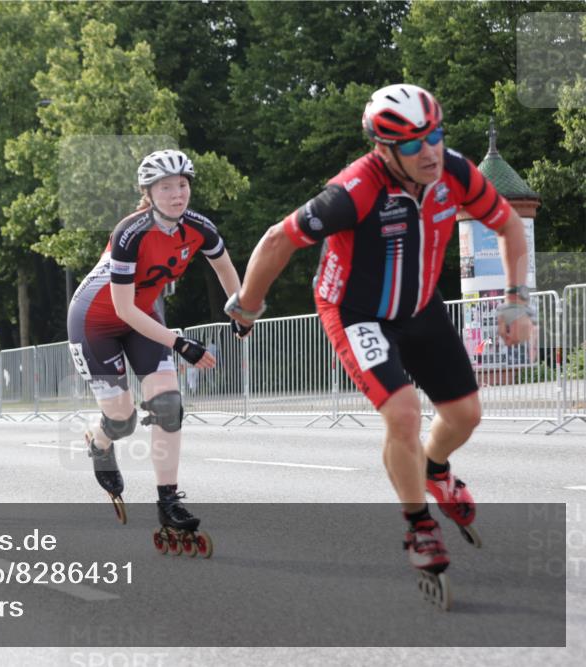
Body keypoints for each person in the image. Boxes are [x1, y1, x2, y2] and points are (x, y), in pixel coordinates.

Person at [225, 84, 535, 604]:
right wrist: (248, 305)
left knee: (466, 416)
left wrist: (516, 299)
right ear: (383, 149)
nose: (429, 151)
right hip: (357, 313)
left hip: (420, 307)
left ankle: (434, 468)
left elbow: (508, 225)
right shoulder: (355, 190)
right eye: (412, 144)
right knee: (403, 412)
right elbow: (279, 239)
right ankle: (419, 525)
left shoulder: (456, 172)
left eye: (435, 135)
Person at [67, 149, 246, 556]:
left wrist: (240, 308)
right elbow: (123, 309)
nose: (177, 194)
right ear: (147, 193)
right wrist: (179, 342)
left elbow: (223, 267)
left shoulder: (199, 227)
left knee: (168, 404)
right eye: (166, 187)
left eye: (182, 185)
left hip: (143, 315)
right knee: (122, 419)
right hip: (96, 322)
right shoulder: (130, 232)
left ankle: (168, 501)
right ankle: (99, 442)